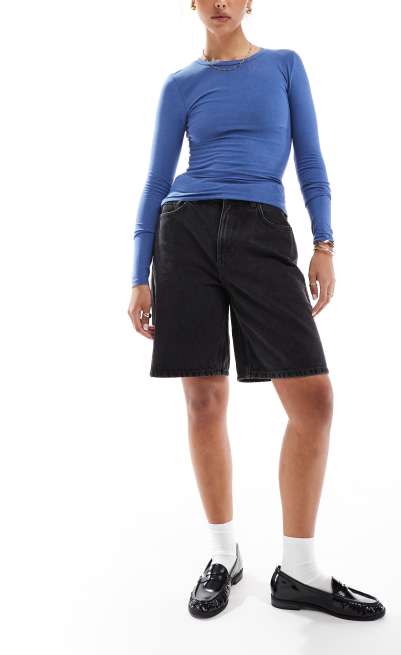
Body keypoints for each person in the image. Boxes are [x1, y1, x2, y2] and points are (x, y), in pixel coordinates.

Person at [127, 0, 385, 621]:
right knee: (204, 400)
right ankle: (223, 556)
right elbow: (157, 179)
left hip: (262, 231)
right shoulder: (180, 84)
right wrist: (139, 275)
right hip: (184, 233)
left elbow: (310, 161)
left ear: (250, 2)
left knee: (313, 401)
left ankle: (298, 571)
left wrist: (324, 244)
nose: (220, 4)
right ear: (191, 3)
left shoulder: (284, 66)